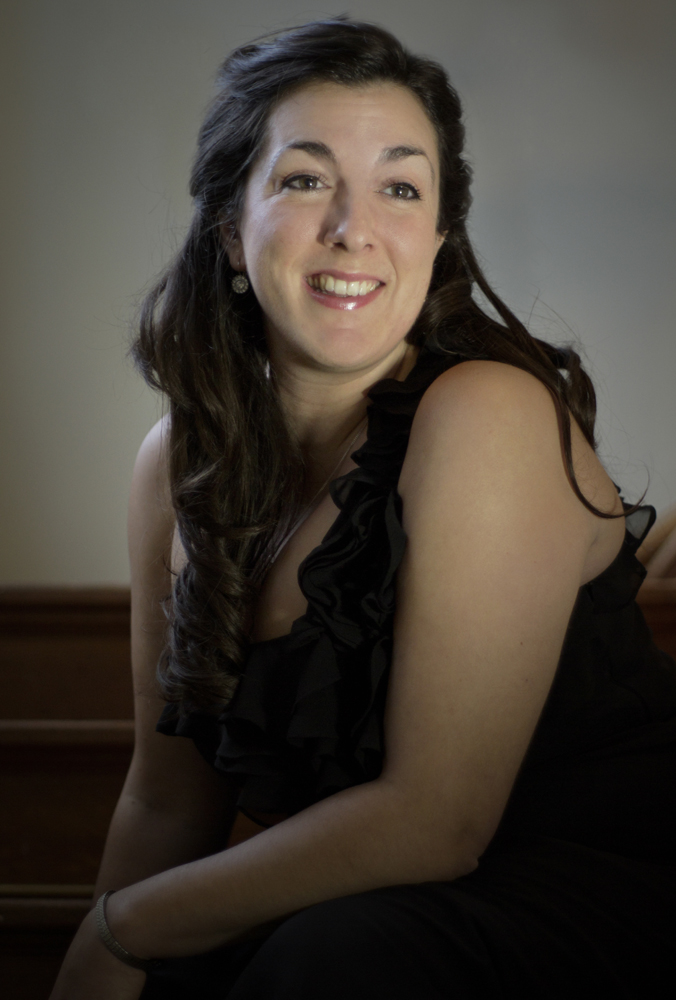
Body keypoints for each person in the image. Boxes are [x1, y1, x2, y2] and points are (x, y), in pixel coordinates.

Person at [50, 18, 676, 1000]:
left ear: (437, 238)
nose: (354, 227)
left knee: (322, 957)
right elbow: (167, 803)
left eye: (400, 187)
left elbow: (437, 823)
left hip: (595, 896)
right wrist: (99, 959)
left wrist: (122, 927)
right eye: (305, 180)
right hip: (367, 906)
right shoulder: (176, 464)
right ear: (230, 230)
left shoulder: (486, 412)